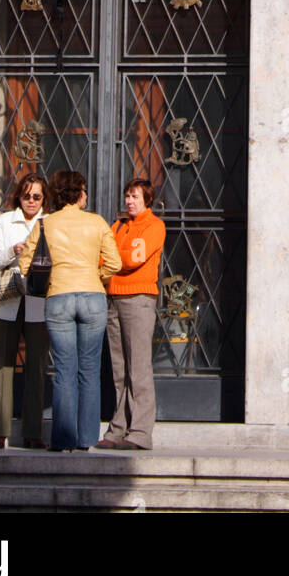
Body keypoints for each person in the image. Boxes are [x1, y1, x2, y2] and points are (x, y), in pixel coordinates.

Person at [19, 170, 121, 451]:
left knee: (64, 370)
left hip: (59, 295)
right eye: (84, 189)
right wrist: (94, 275)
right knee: (89, 370)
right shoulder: (96, 222)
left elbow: (25, 265)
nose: (86, 194)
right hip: (92, 296)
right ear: (78, 193)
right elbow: (115, 263)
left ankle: (63, 439)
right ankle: (87, 438)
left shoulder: (45, 224)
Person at [98, 178, 166, 451]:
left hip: (138, 298)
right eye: (127, 195)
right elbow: (102, 256)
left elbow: (131, 259)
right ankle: (118, 429)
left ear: (147, 199)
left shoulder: (154, 225)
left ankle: (140, 432)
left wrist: (111, 258)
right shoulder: (118, 225)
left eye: (135, 196)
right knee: (119, 369)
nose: (129, 201)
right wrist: (111, 258)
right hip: (114, 296)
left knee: (138, 368)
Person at [0, 173, 50, 449]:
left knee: (36, 367)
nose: (31, 201)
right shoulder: (4, 221)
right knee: (1, 367)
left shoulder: (50, 223)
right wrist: (14, 249)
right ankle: (0, 431)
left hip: (39, 301)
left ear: (44, 198)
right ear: (18, 197)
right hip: (5, 302)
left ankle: (33, 432)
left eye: (36, 196)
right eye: (26, 196)